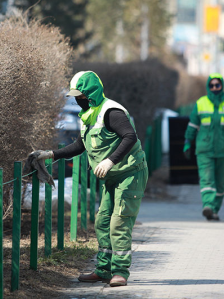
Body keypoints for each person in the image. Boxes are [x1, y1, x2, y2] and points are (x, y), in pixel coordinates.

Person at [30, 71, 148, 287]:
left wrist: (110, 161)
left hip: (130, 174)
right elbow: (80, 146)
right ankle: (103, 270)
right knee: (102, 222)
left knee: (119, 222)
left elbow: (130, 136)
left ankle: (120, 272)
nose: (77, 100)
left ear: (91, 93)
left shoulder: (111, 112)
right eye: (75, 96)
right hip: (112, 177)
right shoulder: (88, 116)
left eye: (80, 96)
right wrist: (51, 155)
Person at [183, 73, 224, 221]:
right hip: (204, 148)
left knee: (220, 182)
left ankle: (215, 210)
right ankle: (208, 205)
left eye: (217, 85)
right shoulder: (201, 103)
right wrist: (187, 142)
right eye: (212, 85)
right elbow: (192, 125)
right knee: (206, 179)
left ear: (222, 86)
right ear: (208, 86)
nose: (215, 88)